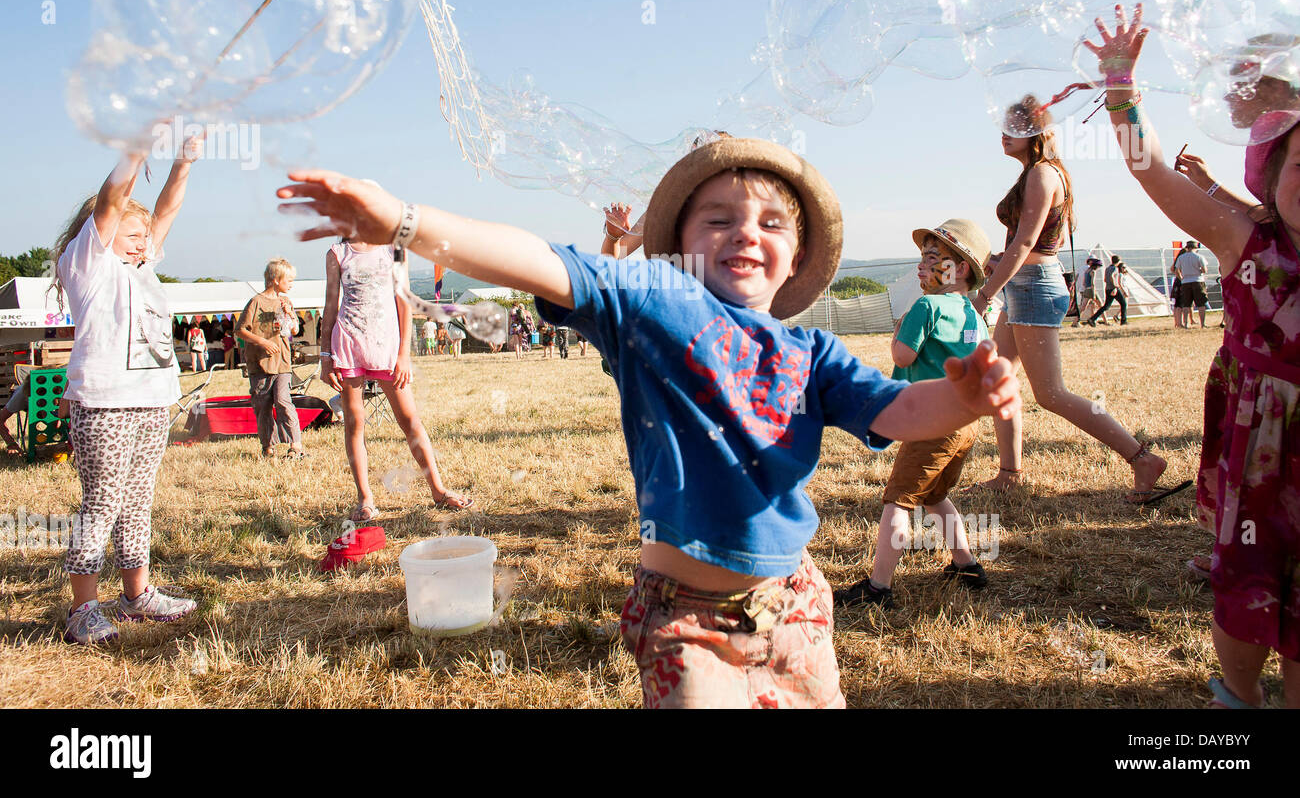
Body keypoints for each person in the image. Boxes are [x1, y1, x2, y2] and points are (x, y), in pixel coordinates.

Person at [277, 136, 1022, 709]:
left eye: (769, 222)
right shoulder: (656, 302)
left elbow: (901, 409)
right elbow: (540, 261)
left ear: (796, 259)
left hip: (796, 605)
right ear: (679, 246)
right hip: (684, 622)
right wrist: (406, 222)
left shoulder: (813, 352)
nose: (745, 233)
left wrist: (968, 398)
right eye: (719, 219)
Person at [1084, 3, 1300, 708]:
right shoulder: (1247, 242)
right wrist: (1122, 92)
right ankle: (1238, 694)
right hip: (1265, 454)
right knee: (1248, 584)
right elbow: (1151, 174)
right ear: (1270, 176)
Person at [972, 96, 1171, 502]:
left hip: (1032, 287)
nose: (1004, 134)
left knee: (1051, 394)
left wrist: (986, 293)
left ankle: (1141, 458)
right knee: (998, 377)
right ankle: (1009, 473)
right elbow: (1037, 241)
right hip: (1024, 283)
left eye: (1013, 127)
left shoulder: (1043, 175)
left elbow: (1029, 241)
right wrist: (997, 262)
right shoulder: (1038, 172)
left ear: (1034, 132)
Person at [50, 135, 204, 645]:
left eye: (144, 236)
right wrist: (137, 150)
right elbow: (114, 199)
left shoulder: (142, 268)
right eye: (130, 234)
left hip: (152, 402)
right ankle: (82, 610)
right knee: (101, 503)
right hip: (106, 406)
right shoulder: (89, 265)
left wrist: (183, 162)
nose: (143, 242)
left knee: (137, 502)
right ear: (102, 232)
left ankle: (136, 595)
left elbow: (167, 210)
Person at [835, 219, 993, 608]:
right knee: (935, 497)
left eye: (932, 259)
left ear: (961, 269)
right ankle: (967, 563)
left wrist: (898, 330)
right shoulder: (974, 315)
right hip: (963, 426)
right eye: (922, 259)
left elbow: (903, 355)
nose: (921, 267)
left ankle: (878, 587)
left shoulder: (925, 306)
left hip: (930, 423)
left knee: (897, 501)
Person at [321, 238, 472, 520]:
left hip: (387, 347)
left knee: (410, 419)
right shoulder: (336, 253)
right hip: (348, 345)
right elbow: (331, 304)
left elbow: (403, 301)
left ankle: (438, 491)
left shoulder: (394, 249)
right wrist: (325, 355)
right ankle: (365, 499)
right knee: (354, 423)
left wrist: (403, 355)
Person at [237, 258, 305, 460]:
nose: (291, 284)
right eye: (289, 280)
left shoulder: (286, 302)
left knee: (283, 400)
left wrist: (290, 315)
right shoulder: (256, 302)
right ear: (276, 279)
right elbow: (240, 330)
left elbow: (294, 330)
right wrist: (262, 342)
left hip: (282, 361)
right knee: (262, 404)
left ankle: (296, 444)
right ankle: (268, 446)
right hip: (259, 362)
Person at [1174, 239, 1210, 329]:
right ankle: (1203, 324)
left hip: (1185, 282)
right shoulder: (1199, 257)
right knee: (1201, 304)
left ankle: (1186, 324)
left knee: (1186, 304)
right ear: (1195, 248)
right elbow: (1204, 270)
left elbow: (1176, 270)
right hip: (1198, 280)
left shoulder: (1181, 257)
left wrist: (1181, 278)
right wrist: (1199, 271)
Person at [1087, 255, 1128, 326]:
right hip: (1114, 288)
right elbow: (1112, 276)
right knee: (1123, 303)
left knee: (1106, 306)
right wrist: (1115, 286)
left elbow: (1105, 279)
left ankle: (1093, 319)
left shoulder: (1107, 268)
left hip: (1107, 288)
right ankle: (1123, 321)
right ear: (1118, 261)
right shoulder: (1115, 268)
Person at [1073, 256, 1104, 328]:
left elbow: (1083, 282)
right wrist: (1093, 293)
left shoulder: (1087, 271)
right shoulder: (1093, 271)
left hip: (1086, 289)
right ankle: (1098, 320)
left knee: (1083, 307)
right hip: (1091, 290)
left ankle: (1075, 322)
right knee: (1101, 305)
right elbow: (1092, 283)